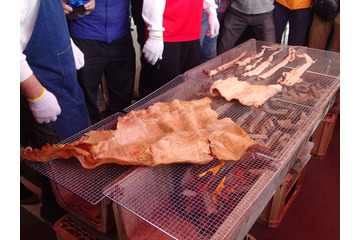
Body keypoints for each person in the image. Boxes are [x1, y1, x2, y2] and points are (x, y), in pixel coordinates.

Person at [20, 0, 92, 223]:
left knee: (77, 145)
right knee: (61, 157)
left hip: (61, 74)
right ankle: (56, 216)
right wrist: (36, 95)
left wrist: (67, 43)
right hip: (39, 81)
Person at [64, 0, 136, 124]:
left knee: (123, 94)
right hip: (84, 36)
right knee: (86, 97)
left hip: (121, 36)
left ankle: (121, 136)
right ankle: (90, 139)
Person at [138, 0, 220, 97]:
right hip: (166, 32)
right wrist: (155, 33)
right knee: (162, 88)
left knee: (187, 82)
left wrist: (211, 10)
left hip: (192, 27)